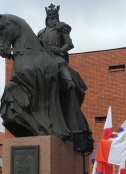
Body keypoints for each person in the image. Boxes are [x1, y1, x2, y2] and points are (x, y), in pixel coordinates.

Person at [37, 3, 92, 137]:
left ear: (57, 16)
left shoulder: (62, 28)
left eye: (54, 15)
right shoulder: (41, 32)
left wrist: (60, 50)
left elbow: (69, 44)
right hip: (43, 56)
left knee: (60, 64)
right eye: (49, 15)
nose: (52, 17)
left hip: (56, 56)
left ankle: (68, 81)